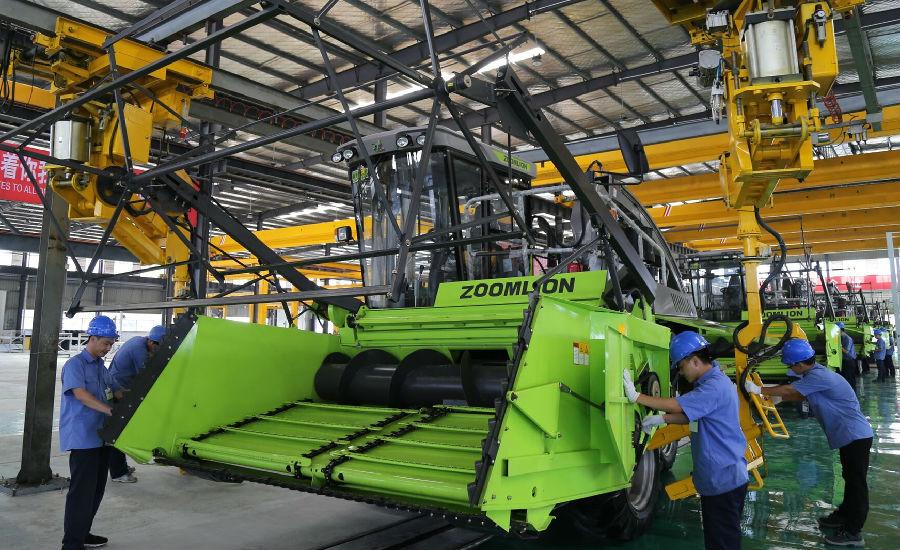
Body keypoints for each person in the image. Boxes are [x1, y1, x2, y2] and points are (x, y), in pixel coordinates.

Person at [623, 331, 748, 550]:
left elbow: (677, 405)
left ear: (695, 361)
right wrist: (662, 419)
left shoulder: (713, 387)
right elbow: (693, 414)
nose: (680, 372)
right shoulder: (713, 383)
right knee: (720, 538)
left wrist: (637, 397)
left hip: (723, 481)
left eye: (681, 367)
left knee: (722, 542)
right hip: (726, 477)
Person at [745, 338, 873, 547]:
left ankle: (853, 532)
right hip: (850, 435)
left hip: (855, 436)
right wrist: (778, 398)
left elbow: (789, 389)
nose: (789, 369)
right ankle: (844, 515)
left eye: (790, 365)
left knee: (856, 483)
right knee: (849, 477)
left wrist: (759, 390)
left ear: (799, 364)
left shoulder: (819, 376)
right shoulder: (814, 375)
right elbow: (799, 395)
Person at [60, 315, 123, 550]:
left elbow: (115, 391)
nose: (108, 348)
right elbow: (81, 395)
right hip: (83, 438)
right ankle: (71, 544)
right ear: (92, 338)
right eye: (106, 343)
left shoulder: (100, 367)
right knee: (81, 493)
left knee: (96, 491)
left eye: (111, 344)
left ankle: (83, 534)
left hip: (101, 437)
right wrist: (110, 411)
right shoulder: (75, 365)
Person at [106, 325, 166, 483]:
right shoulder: (139, 350)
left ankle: (121, 467)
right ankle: (118, 473)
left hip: (122, 389)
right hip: (118, 391)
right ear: (152, 343)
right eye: (158, 349)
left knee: (121, 430)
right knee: (118, 432)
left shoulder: (139, 342)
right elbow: (147, 374)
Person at [837, 322, 858, 391]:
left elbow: (846, 351)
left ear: (840, 329)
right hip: (845, 360)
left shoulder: (847, 338)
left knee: (849, 378)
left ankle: (851, 391)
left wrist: (838, 345)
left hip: (849, 361)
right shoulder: (841, 338)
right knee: (847, 377)